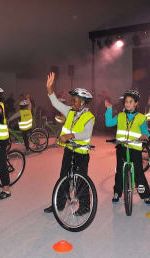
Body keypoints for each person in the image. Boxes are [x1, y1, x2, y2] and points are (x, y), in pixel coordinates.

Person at [43, 72, 95, 216]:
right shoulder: (70, 111)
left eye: (76, 100)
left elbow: (86, 134)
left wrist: (70, 135)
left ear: (83, 102)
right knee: (63, 178)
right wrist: (49, 88)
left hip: (81, 153)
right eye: (72, 99)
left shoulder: (89, 117)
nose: (72, 102)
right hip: (69, 151)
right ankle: (58, 204)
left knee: (80, 181)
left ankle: (84, 207)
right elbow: (56, 103)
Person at [105, 90, 150, 205]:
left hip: (135, 148)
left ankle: (145, 195)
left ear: (136, 103)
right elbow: (109, 123)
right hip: (121, 147)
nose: (128, 104)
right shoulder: (120, 116)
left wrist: (145, 135)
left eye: (131, 102)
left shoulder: (141, 117)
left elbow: (145, 131)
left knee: (139, 173)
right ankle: (117, 192)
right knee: (120, 171)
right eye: (126, 102)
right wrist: (109, 109)